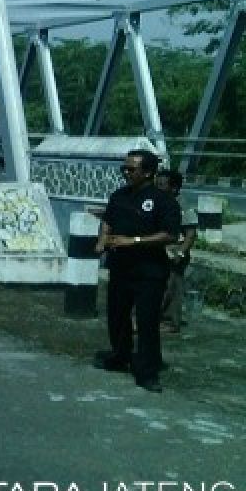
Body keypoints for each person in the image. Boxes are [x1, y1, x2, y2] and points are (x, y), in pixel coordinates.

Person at [94, 149, 181, 393]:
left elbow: (170, 234)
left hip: (149, 271)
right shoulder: (119, 196)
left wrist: (133, 241)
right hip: (121, 268)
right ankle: (120, 356)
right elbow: (108, 221)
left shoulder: (164, 201)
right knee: (117, 316)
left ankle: (147, 372)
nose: (126, 173)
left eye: (132, 169)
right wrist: (102, 240)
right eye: (125, 168)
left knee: (146, 322)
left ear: (148, 172)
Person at [155, 168, 198, 334]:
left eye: (162, 185)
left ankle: (172, 322)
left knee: (172, 288)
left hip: (175, 252)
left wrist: (181, 253)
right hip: (160, 250)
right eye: (157, 184)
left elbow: (191, 234)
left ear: (174, 188)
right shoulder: (159, 203)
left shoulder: (182, 206)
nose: (158, 188)